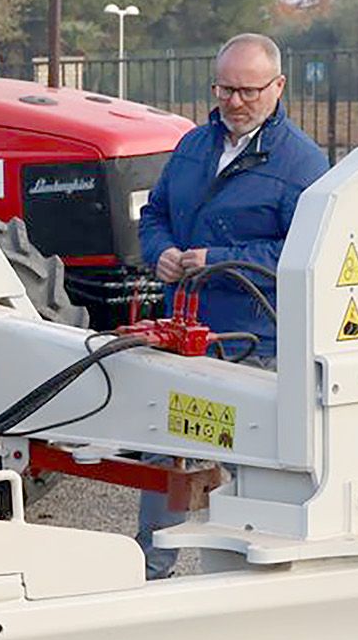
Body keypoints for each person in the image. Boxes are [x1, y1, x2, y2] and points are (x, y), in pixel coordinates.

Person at [131, 33, 329, 577]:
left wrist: (215, 257)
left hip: (250, 340)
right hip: (184, 331)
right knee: (166, 448)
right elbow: (156, 214)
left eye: (247, 90)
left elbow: (299, 251)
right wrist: (163, 253)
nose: (234, 102)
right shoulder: (193, 147)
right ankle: (152, 568)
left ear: (278, 87)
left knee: (250, 456)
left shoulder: (302, 165)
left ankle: (248, 575)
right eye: (224, 89)